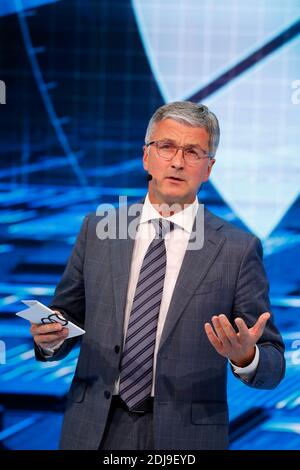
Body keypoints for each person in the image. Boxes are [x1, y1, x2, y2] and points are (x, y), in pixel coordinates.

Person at [30, 101, 285, 450]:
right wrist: (50, 339)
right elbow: (66, 322)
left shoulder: (237, 250)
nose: (178, 161)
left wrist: (245, 356)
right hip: (92, 429)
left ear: (208, 168)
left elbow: (272, 366)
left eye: (193, 152)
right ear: (146, 157)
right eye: (166, 147)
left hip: (186, 437)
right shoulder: (99, 231)